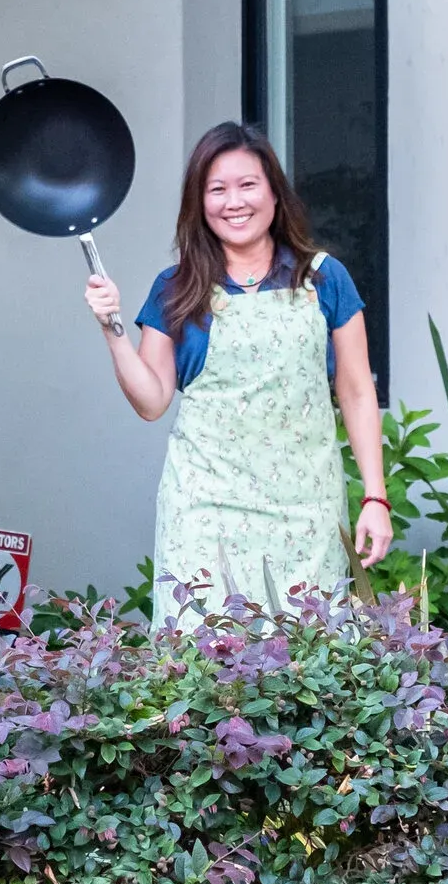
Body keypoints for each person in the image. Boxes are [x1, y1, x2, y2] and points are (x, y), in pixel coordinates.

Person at [84, 122, 390, 615]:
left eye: (247, 185)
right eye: (217, 189)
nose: (235, 202)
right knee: (204, 665)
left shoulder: (325, 278)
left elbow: (356, 391)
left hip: (306, 511)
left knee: (307, 664)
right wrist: (112, 328)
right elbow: (151, 400)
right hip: (204, 513)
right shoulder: (176, 287)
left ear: (274, 192)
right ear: (199, 203)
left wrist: (375, 498)